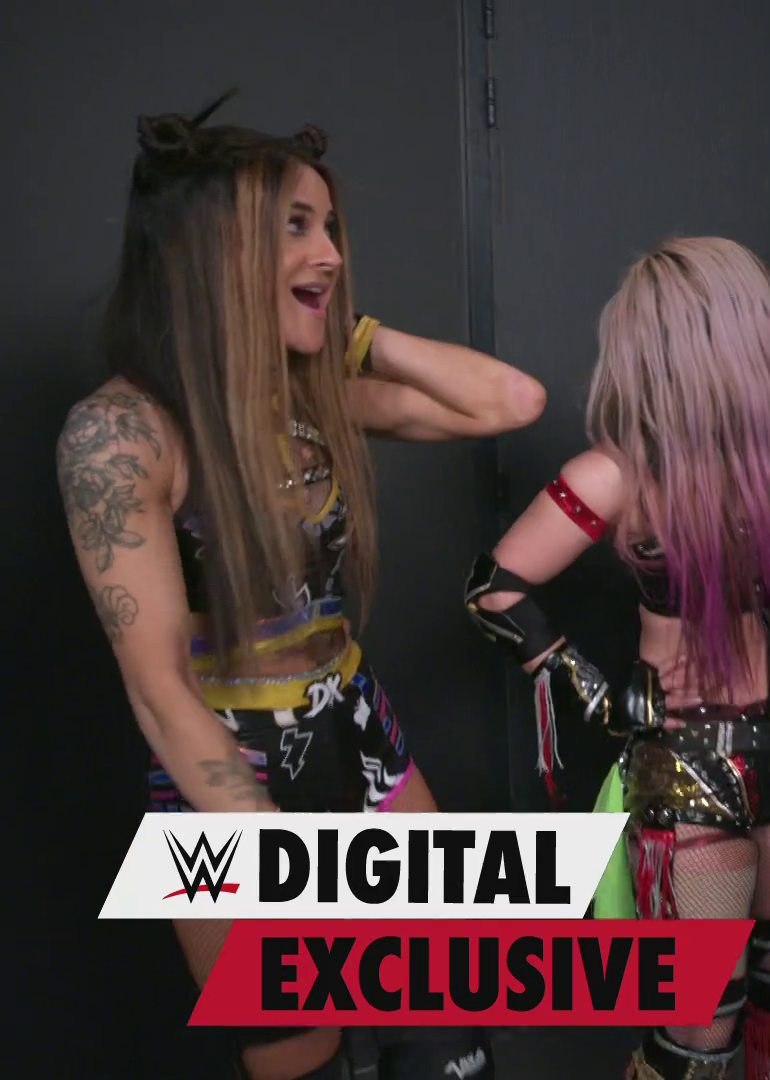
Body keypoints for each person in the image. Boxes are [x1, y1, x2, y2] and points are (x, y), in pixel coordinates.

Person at [56, 97, 544, 1080]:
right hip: (223, 776)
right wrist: (282, 868)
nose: (328, 252)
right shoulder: (122, 436)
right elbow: (160, 694)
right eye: (293, 227)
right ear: (211, 249)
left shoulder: (311, 396)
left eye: (329, 227)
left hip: (353, 732)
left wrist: (346, 331)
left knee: (446, 1027)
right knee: (307, 1051)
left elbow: (512, 400)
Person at [463, 236, 770, 1080]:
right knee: (696, 1041)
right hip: (689, 774)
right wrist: (603, 697)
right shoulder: (617, 475)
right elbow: (494, 588)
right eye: (766, 314)